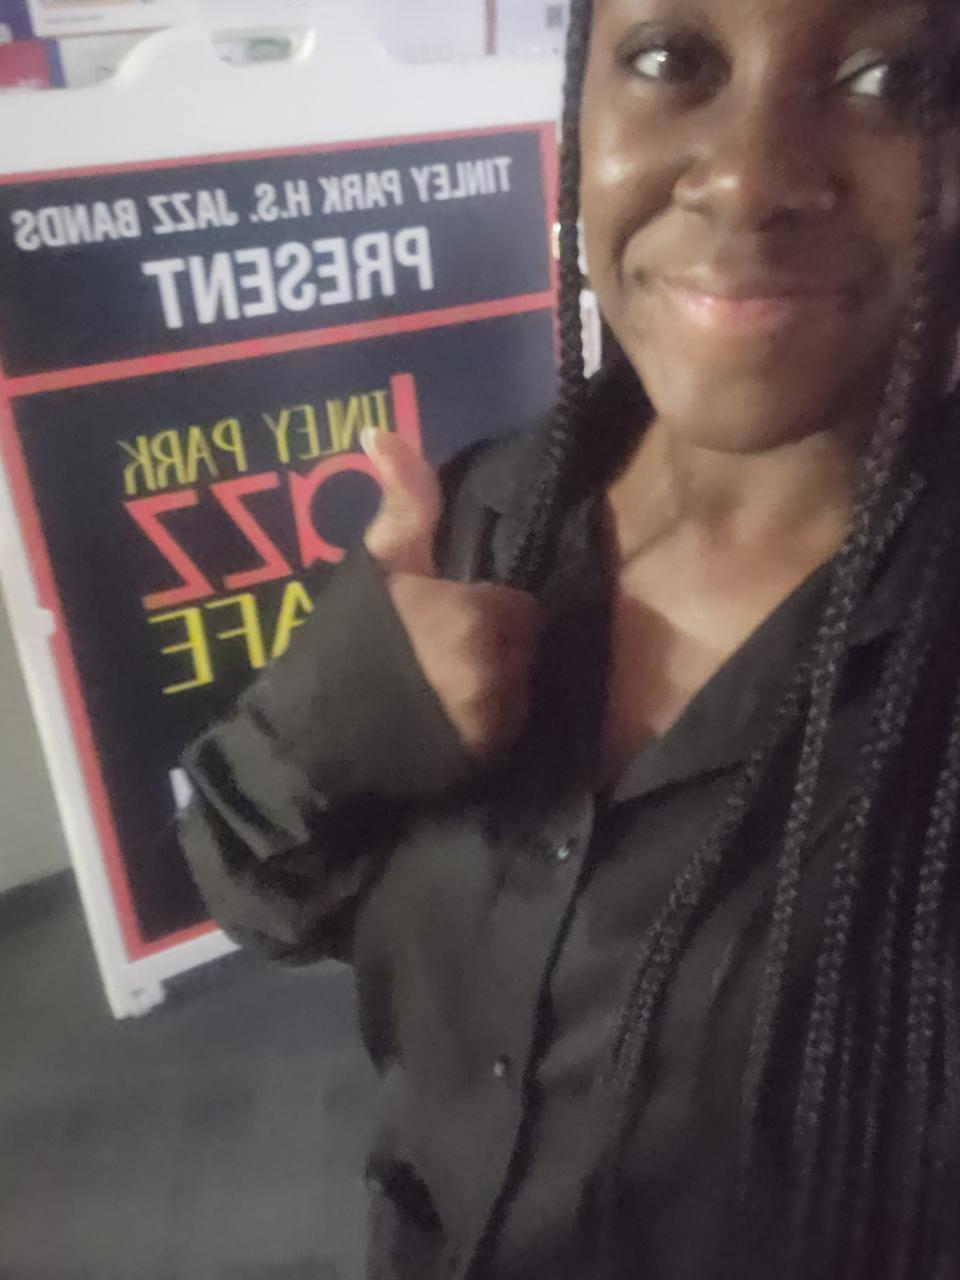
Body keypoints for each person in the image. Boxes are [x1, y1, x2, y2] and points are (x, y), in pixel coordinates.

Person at [178, 0, 960, 1276]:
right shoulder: (484, 511)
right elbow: (245, 885)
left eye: (894, 81)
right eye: (672, 60)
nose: (749, 177)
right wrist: (353, 711)